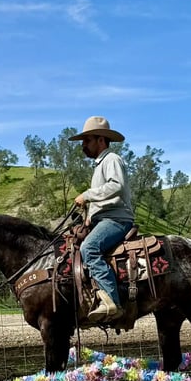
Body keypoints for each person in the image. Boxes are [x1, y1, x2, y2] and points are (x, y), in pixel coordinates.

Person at [69, 116, 134, 321]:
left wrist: (87, 195)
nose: (83, 145)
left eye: (87, 140)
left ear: (101, 140)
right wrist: (89, 218)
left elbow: (116, 186)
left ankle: (111, 301)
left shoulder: (111, 159)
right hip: (104, 219)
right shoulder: (100, 164)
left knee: (89, 248)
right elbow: (105, 197)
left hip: (116, 220)